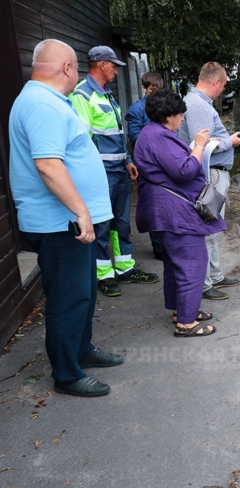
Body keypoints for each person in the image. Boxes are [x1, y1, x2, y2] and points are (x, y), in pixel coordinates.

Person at [9, 39, 124, 397]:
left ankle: (81, 350)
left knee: (84, 292)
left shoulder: (46, 101)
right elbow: (47, 164)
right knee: (68, 298)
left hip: (69, 223)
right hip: (62, 224)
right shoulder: (42, 104)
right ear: (68, 68)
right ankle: (67, 374)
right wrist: (81, 211)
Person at [134, 89, 227, 337]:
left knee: (177, 265)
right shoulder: (159, 137)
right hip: (174, 212)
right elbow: (184, 171)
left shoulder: (153, 133)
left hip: (167, 210)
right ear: (169, 116)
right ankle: (186, 323)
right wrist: (198, 146)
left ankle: (182, 310)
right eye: (179, 115)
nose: (182, 119)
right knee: (192, 263)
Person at [69, 45, 158, 297]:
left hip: (118, 170)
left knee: (121, 223)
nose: (117, 72)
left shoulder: (107, 94)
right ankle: (104, 276)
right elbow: (82, 141)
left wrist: (128, 159)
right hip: (100, 175)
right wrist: (93, 174)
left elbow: (117, 133)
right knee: (102, 225)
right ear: (102, 65)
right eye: (114, 67)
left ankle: (125, 268)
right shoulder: (82, 96)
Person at [179, 61, 240, 301]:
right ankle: (205, 283)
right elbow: (202, 144)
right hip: (211, 173)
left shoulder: (197, 103)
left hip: (215, 172)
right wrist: (231, 142)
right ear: (216, 82)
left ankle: (214, 275)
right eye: (224, 85)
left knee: (213, 228)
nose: (223, 90)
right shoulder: (198, 106)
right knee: (207, 228)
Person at [125, 71, 165, 260]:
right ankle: (158, 248)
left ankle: (166, 244)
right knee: (153, 205)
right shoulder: (136, 110)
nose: (156, 93)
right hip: (147, 165)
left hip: (165, 163)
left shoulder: (163, 106)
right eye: (152, 90)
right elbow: (134, 136)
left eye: (159, 90)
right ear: (144, 88)